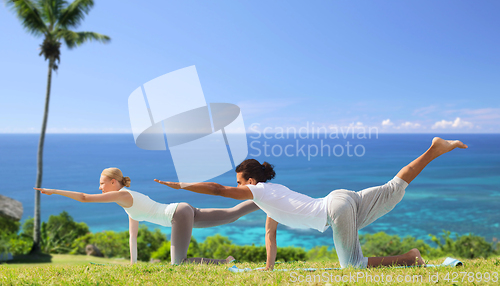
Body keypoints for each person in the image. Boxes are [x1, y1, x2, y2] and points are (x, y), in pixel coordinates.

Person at [155, 137, 468, 270]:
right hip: (341, 198)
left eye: (239, 182)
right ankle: (434, 150)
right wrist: (267, 268)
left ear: (250, 181)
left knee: (354, 267)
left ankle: (411, 258)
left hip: (335, 210)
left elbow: (220, 191)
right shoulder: (272, 194)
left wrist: (182, 184)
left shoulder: (258, 191)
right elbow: (270, 235)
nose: (237, 187)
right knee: (394, 186)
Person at [34, 167, 259, 265]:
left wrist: (54, 191)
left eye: (102, 184)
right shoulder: (127, 202)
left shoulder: (122, 195)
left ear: (114, 182)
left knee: (178, 264)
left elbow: (84, 197)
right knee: (231, 215)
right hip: (182, 210)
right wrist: (133, 264)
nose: (99, 187)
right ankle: (265, 200)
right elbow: (133, 238)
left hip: (177, 215)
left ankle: (225, 263)